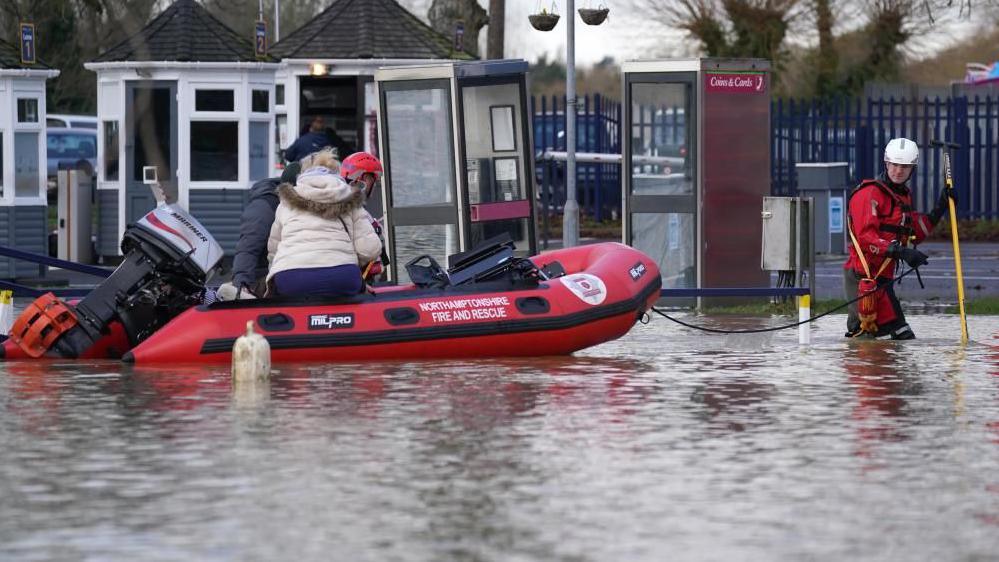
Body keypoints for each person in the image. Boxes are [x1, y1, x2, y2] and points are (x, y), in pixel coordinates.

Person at [843, 137, 954, 340]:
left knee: (895, 339)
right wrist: (900, 252)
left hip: (882, 278)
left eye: (904, 166)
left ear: (912, 169)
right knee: (866, 336)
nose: (898, 171)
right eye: (894, 165)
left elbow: (912, 234)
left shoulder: (902, 197)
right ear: (886, 163)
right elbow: (866, 238)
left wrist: (940, 207)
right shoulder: (870, 194)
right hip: (863, 277)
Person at [266, 149, 382, 297]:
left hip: (291, 278)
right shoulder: (351, 199)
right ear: (336, 173)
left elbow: (273, 251)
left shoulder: (286, 202)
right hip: (342, 277)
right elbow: (370, 249)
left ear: (302, 173)